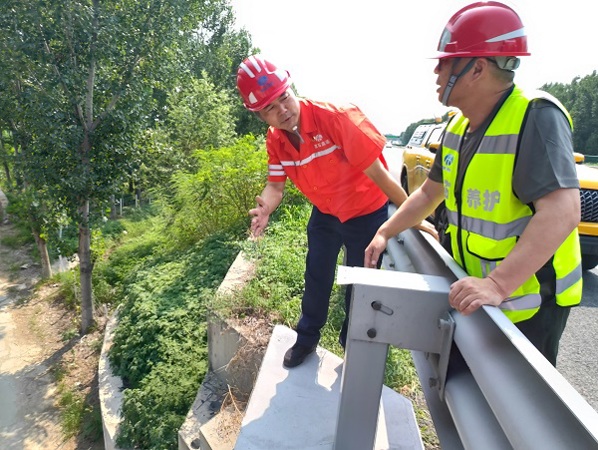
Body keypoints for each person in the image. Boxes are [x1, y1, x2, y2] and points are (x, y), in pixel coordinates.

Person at [365, 1, 582, 366]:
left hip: (529, 304)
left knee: (508, 400)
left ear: (477, 68)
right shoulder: (457, 127)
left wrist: (497, 284)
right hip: (478, 294)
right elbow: (429, 193)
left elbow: (562, 212)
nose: (436, 70)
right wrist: (386, 231)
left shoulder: (536, 115)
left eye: (446, 62)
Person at [236, 55, 437, 368]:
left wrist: (415, 217)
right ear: (260, 115)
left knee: (359, 285)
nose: (283, 111)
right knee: (316, 275)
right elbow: (275, 186)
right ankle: (306, 339)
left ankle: (353, 349)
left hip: (366, 212)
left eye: (284, 98)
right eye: (270, 108)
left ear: (291, 88)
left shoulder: (337, 118)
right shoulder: (276, 140)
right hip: (326, 212)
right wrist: (265, 209)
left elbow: (382, 177)